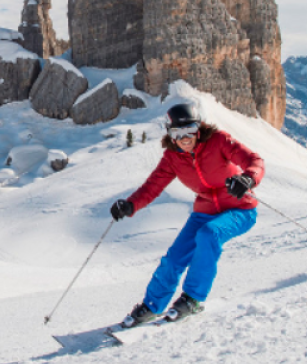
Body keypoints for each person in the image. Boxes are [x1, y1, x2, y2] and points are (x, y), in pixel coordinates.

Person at [109, 102, 265, 328]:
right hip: (204, 212)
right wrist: (130, 205)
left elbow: (254, 161)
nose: (185, 138)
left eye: (190, 131)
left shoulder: (219, 141)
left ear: (199, 129)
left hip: (240, 209)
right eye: (178, 133)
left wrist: (247, 179)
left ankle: (193, 299)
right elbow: (152, 186)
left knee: (209, 235)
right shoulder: (173, 157)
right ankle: (152, 306)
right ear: (170, 134)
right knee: (174, 258)